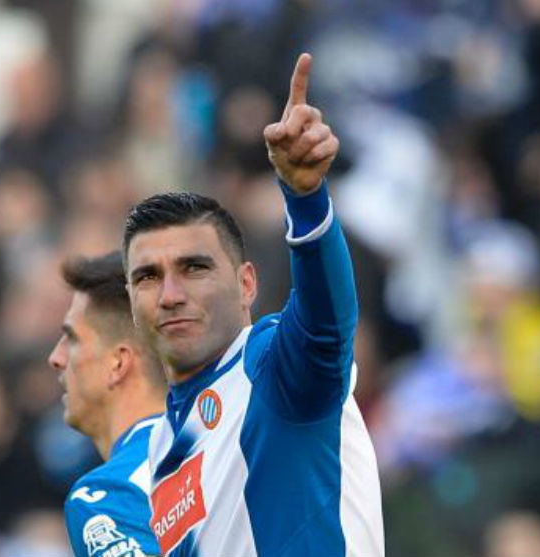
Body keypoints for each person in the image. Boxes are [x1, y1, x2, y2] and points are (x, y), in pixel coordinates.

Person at [122, 53, 384, 556]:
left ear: (246, 285)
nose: (171, 294)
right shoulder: (158, 449)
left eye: (195, 268)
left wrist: (305, 198)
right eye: (148, 277)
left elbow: (327, 329)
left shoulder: (270, 368)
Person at [48, 251, 166, 557]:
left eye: (71, 338)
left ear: (118, 362)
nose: (56, 358)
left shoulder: (111, 495)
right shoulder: (227, 447)